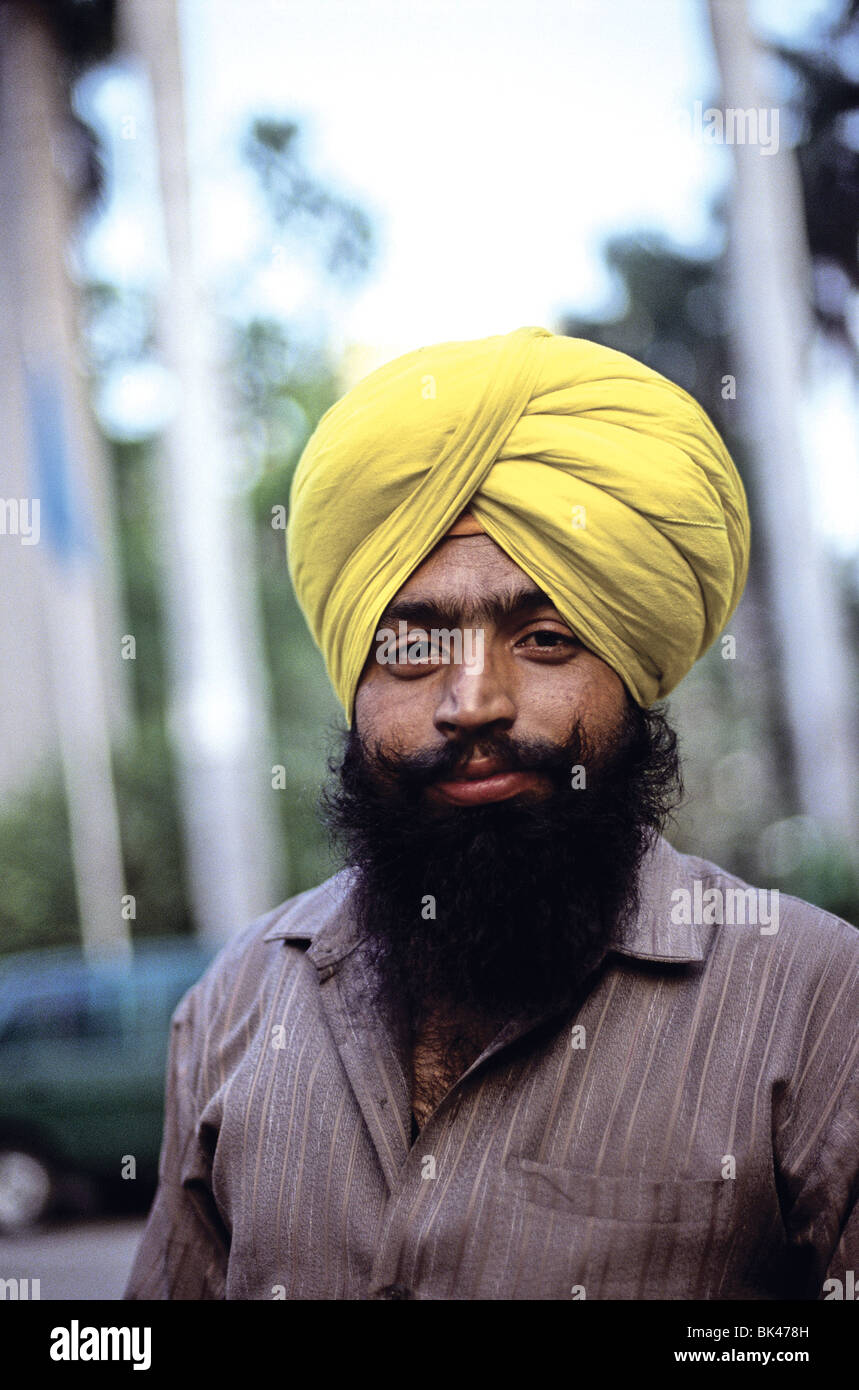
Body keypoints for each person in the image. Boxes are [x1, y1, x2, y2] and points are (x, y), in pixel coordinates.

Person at [125, 326, 859, 1300]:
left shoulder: (815, 1007)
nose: (472, 701)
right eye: (412, 647)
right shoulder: (232, 1009)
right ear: (354, 685)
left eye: (545, 637)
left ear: (632, 675)